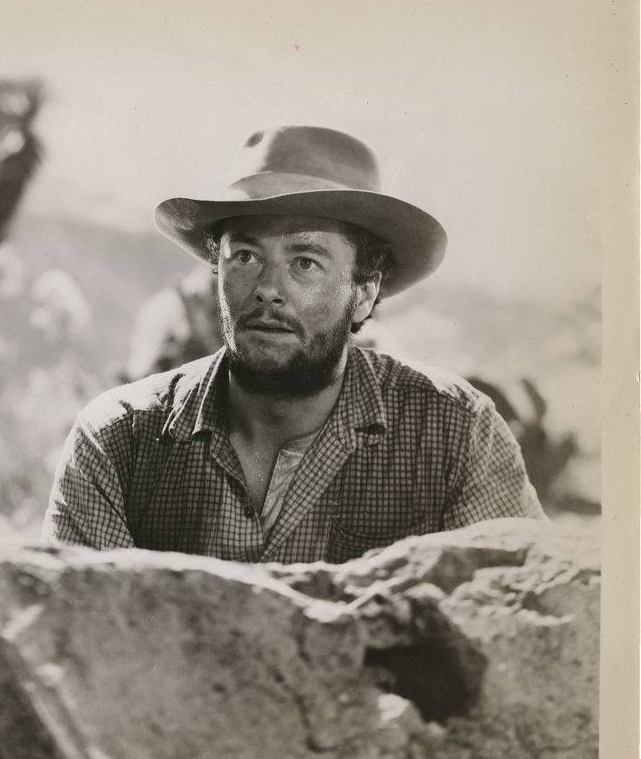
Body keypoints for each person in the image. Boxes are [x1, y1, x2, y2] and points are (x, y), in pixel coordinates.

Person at [43, 125, 544, 561]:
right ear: (216, 273)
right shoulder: (118, 440)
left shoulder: (454, 434)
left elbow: (525, 625)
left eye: (305, 262)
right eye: (245, 257)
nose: (267, 288)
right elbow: (70, 646)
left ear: (364, 294)